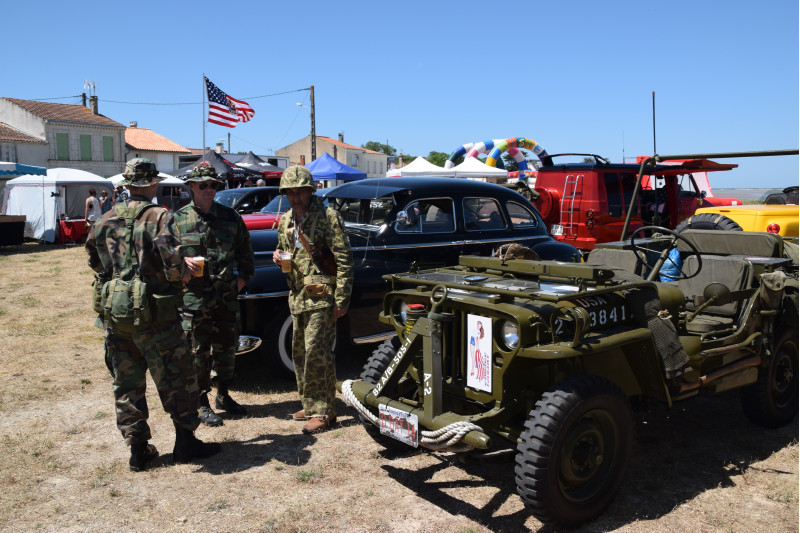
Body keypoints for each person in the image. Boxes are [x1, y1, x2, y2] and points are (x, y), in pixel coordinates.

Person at [86, 158, 220, 472]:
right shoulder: (161, 217)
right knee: (178, 378)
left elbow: (95, 262)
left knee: (127, 383)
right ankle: (185, 442)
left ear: (127, 183)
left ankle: (137, 450)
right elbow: (173, 266)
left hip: (117, 316)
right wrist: (182, 274)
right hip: (157, 317)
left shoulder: (105, 218)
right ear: (152, 183)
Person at [272, 166, 354, 434]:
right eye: (290, 192)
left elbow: (344, 260)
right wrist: (278, 257)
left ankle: (325, 411)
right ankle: (310, 404)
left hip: (322, 296)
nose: (295, 197)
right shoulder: (285, 220)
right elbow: (285, 251)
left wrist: (341, 300)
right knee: (300, 353)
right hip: (296, 296)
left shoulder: (328, 217)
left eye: (300, 191)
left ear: (310, 190)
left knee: (317, 353)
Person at [174, 162, 255, 427]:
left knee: (227, 349)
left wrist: (242, 279)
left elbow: (246, 252)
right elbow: (165, 258)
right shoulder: (177, 220)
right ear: (191, 187)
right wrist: (179, 270)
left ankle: (223, 394)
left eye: (213, 185)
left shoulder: (230, 217)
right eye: (203, 185)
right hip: (194, 302)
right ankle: (201, 401)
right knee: (198, 353)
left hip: (226, 299)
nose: (209, 190)